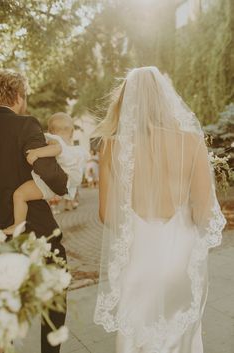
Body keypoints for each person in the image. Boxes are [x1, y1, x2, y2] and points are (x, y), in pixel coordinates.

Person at [93, 67, 226, 353]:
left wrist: (136, 227)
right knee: (180, 336)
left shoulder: (111, 146)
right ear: (165, 97)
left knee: (137, 335)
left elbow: (105, 214)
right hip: (179, 253)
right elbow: (204, 210)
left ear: (126, 101)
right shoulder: (190, 140)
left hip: (139, 254)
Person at [0, 69, 68, 353]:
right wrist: (63, 184)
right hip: (34, 229)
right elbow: (50, 174)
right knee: (55, 294)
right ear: (17, 95)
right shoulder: (25, 124)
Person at [3, 112, 88, 234]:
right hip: (66, 183)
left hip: (52, 181)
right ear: (72, 132)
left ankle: (18, 224)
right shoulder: (77, 150)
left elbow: (57, 149)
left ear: (50, 131)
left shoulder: (54, 139)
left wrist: (37, 152)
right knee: (22, 195)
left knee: (19, 195)